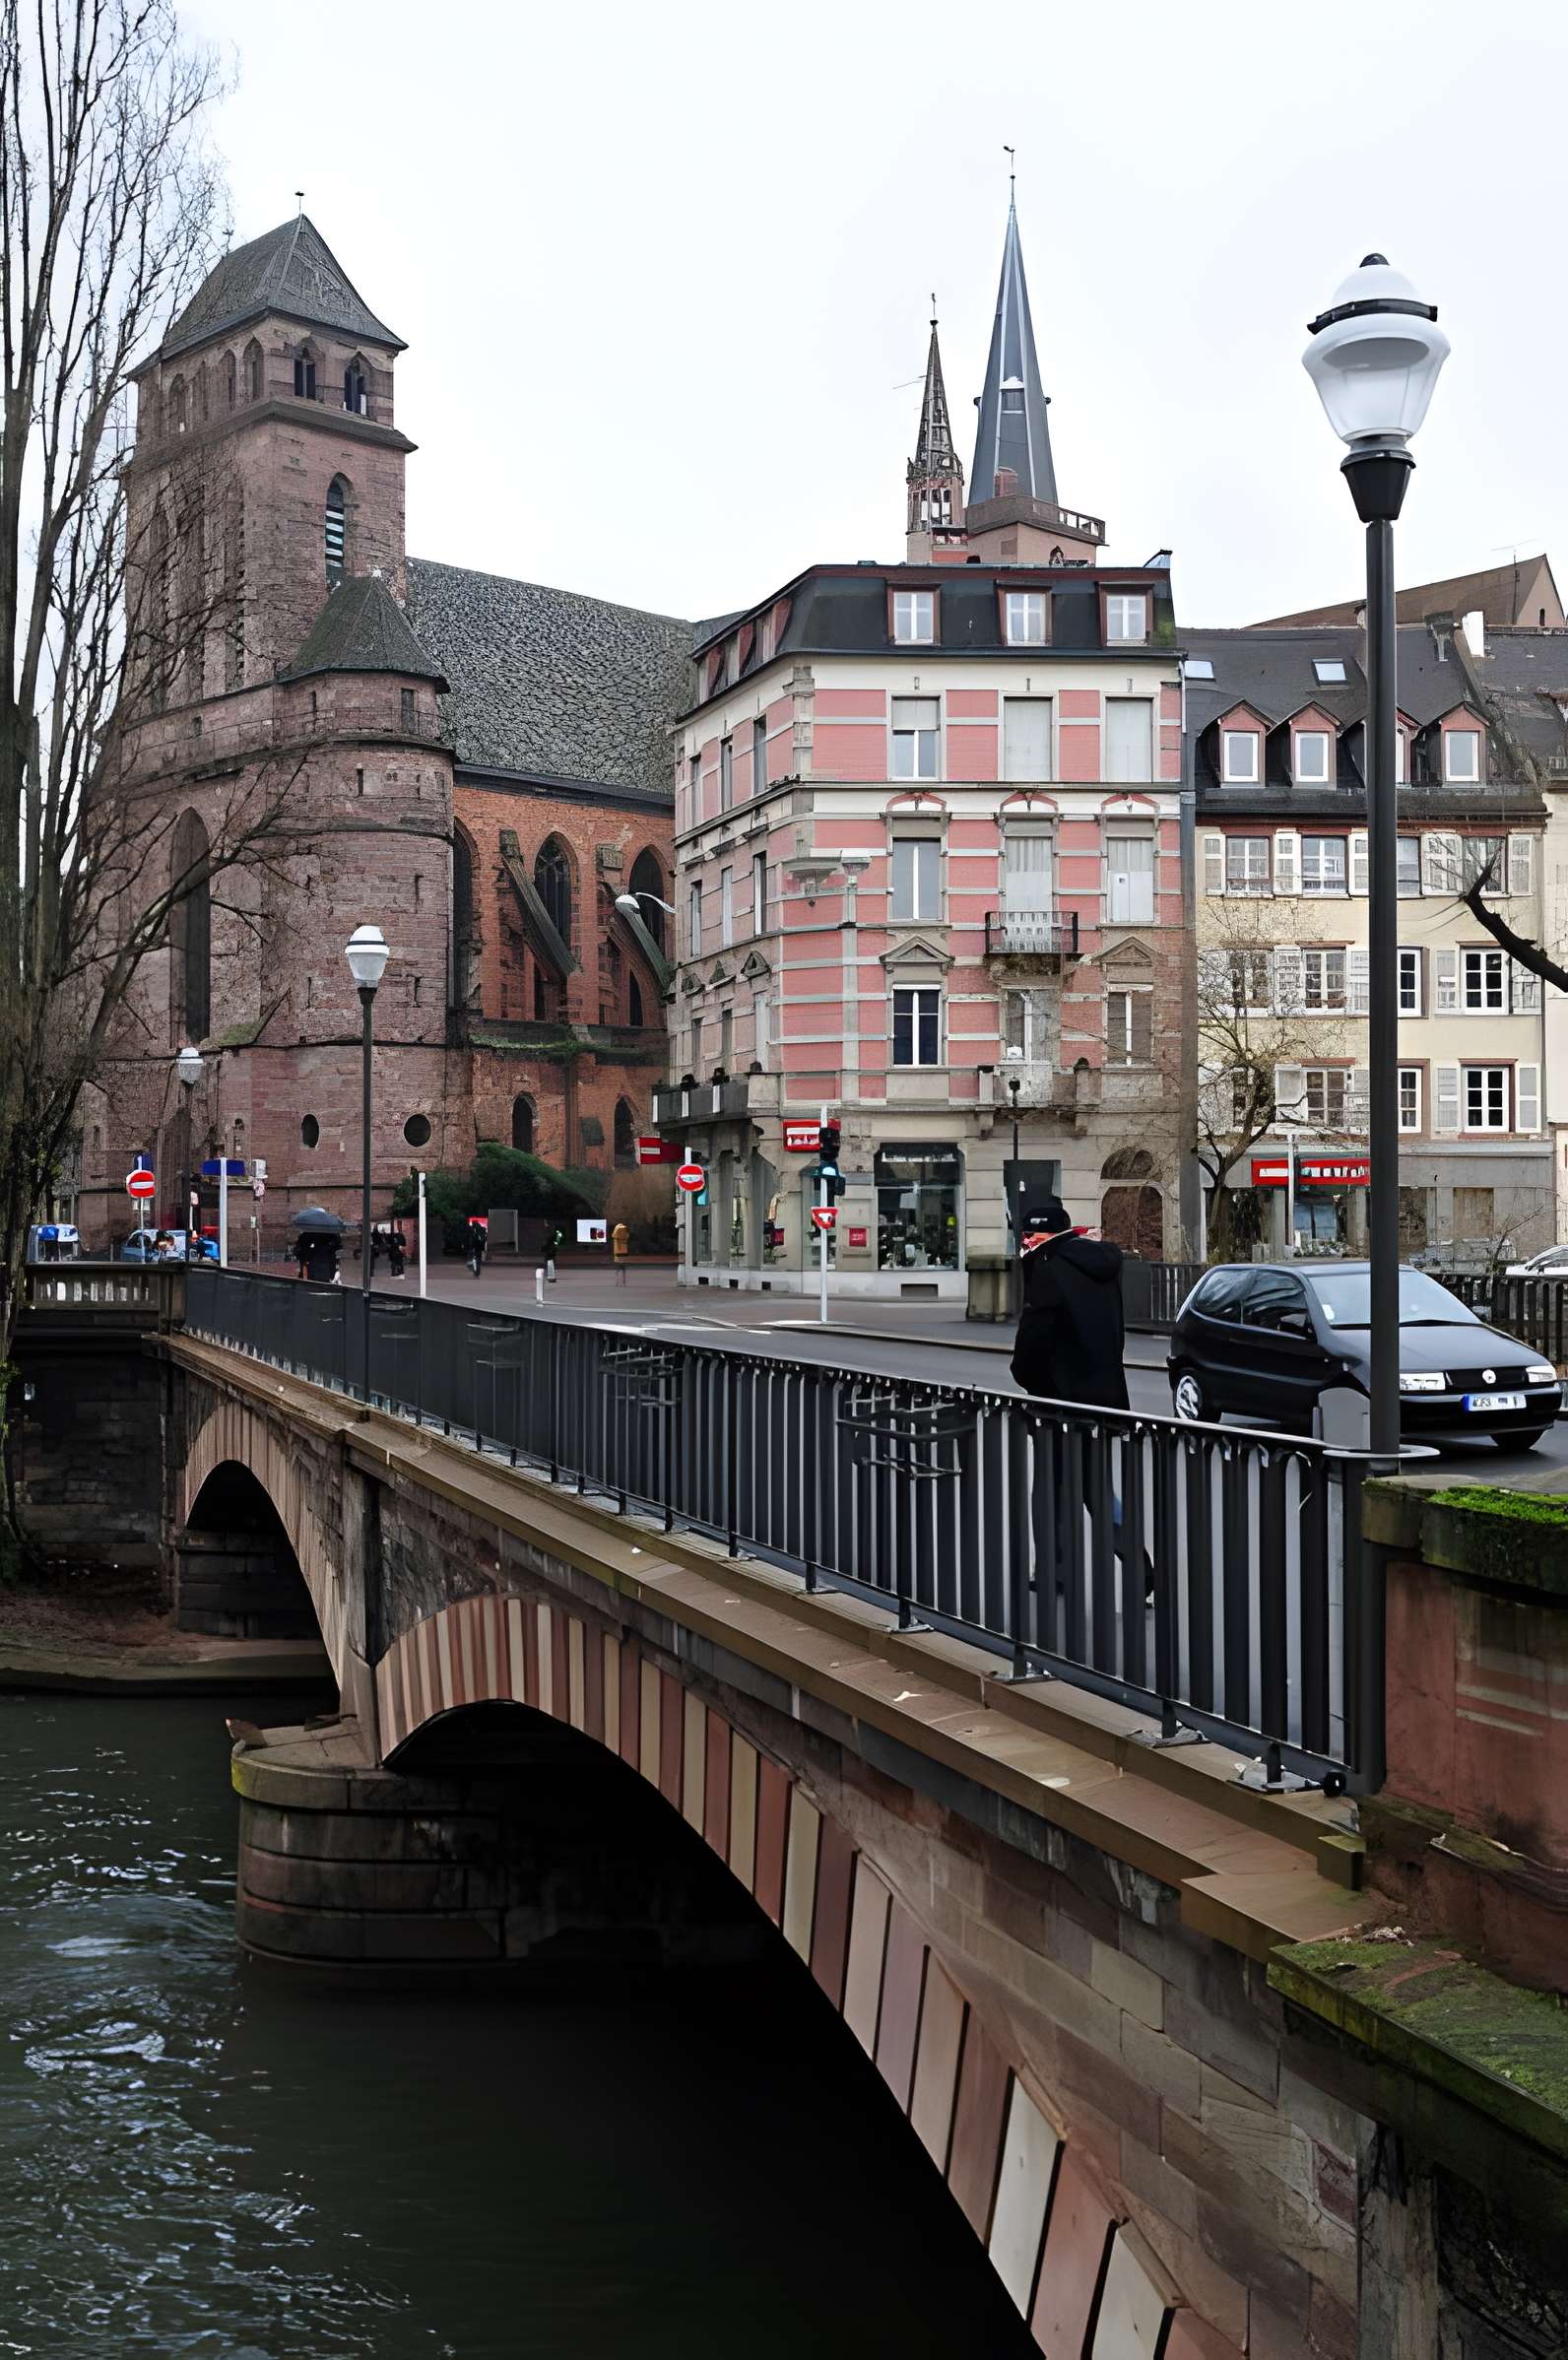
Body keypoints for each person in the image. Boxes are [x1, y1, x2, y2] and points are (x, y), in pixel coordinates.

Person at [1010, 1198, 1152, 1606]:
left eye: (1030, 1236)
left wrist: (1026, 1377)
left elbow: (1035, 1339)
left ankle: (1055, 1570)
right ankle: (1137, 1563)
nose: (1026, 1243)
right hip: (1103, 1398)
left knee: (1049, 1490)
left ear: (1046, 1236)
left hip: (1058, 1402)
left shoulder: (1047, 1268)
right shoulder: (1102, 1265)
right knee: (1096, 1488)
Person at [611, 1218, 630, 1285]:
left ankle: (617, 1282)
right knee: (623, 1267)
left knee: (618, 1268)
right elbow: (628, 1235)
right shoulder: (625, 1230)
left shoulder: (617, 1230)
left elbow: (613, 1235)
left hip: (618, 1252)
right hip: (624, 1251)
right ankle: (624, 1282)